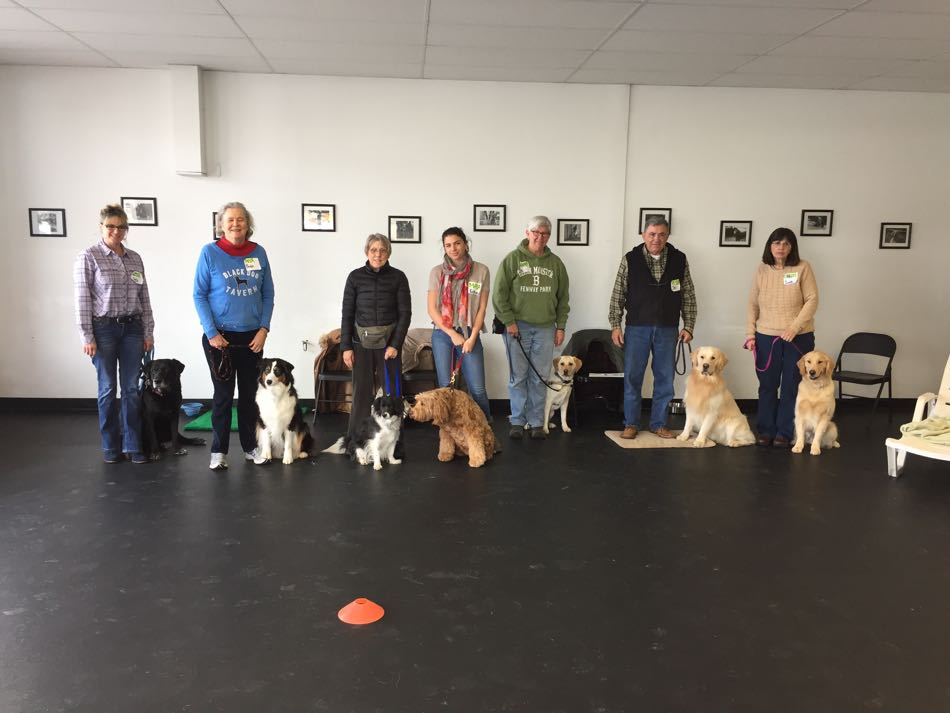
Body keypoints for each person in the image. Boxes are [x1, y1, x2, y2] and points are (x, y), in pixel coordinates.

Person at [194, 202, 274, 471]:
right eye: (230, 220)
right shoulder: (210, 253)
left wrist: (264, 329)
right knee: (223, 396)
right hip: (221, 339)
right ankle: (219, 451)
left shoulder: (258, 253)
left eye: (240, 219)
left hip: (252, 338)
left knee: (250, 395)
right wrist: (211, 332)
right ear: (221, 224)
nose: (236, 224)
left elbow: (268, 294)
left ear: (247, 223)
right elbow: (199, 294)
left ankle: (250, 447)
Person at [74, 204, 155, 464]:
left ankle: (133, 446)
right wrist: (87, 336)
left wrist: (148, 331)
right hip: (103, 329)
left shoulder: (134, 258)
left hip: (132, 328)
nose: (116, 231)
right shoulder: (88, 257)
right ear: (101, 227)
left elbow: (144, 296)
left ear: (126, 229)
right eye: (110, 226)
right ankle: (111, 447)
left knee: (131, 389)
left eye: (121, 226)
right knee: (108, 389)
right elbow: (82, 300)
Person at [609, 216, 696, 440]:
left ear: (667, 235)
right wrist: (615, 324)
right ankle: (631, 424)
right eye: (652, 234)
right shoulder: (630, 259)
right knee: (632, 378)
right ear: (643, 235)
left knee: (665, 379)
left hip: (668, 329)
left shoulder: (679, 259)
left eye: (661, 234)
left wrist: (689, 325)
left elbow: (688, 294)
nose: (656, 239)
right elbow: (618, 293)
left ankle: (659, 424)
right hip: (637, 328)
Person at [493, 216, 570, 440]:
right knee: (518, 376)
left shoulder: (556, 263)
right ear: (527, 233)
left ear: (549, 236)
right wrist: (509, 321)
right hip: (517, 327)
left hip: (546, 327)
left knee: (540, 377)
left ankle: (537, 422)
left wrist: (560, 326)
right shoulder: (513, 259)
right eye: (536, 232)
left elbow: (563, 297)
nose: (540, 237)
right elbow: (499, 295)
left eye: (545, 233)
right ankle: (517, 421)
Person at [744, 227, 818, 448]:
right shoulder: (762, 270)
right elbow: (752, 304)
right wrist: (750, 334)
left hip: (798, 338)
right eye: (776, 243)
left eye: (786, 244)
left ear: (792, 247)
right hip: (766, 337)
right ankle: (766, 431)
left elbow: (812, 300)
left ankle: (785, 432)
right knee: (767, 386)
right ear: (770, 246)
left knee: (791, 385)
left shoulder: (803, 268)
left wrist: (794, 328)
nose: (781, 247)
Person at [341, 233, 412, 440]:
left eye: (382, 250)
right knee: (361, 395)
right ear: (367, 252)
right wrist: (346, 346)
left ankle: (395, 443)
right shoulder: (354, 277)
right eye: (373, 250)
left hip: (389, 347)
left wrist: (395, 345)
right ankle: (356, 441)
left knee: (393, 396)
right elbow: (347, 314)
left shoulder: (399, 277)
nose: (378, 254)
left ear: (388, 252)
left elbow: (405, 314)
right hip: (359, 344)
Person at [426, 227, 492, 419]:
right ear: (444, 248)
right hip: (443, 335)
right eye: (448, 245)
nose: (453, 248)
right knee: (446, 388)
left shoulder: (481, 271)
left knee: (478, 388)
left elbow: (481, 309)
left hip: (470, 333)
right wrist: (452, 334)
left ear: (465, 244)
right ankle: (450, 434)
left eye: (457, 243)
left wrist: (471, 338)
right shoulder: (437, 272)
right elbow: (432, 309)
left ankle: (486, 433)